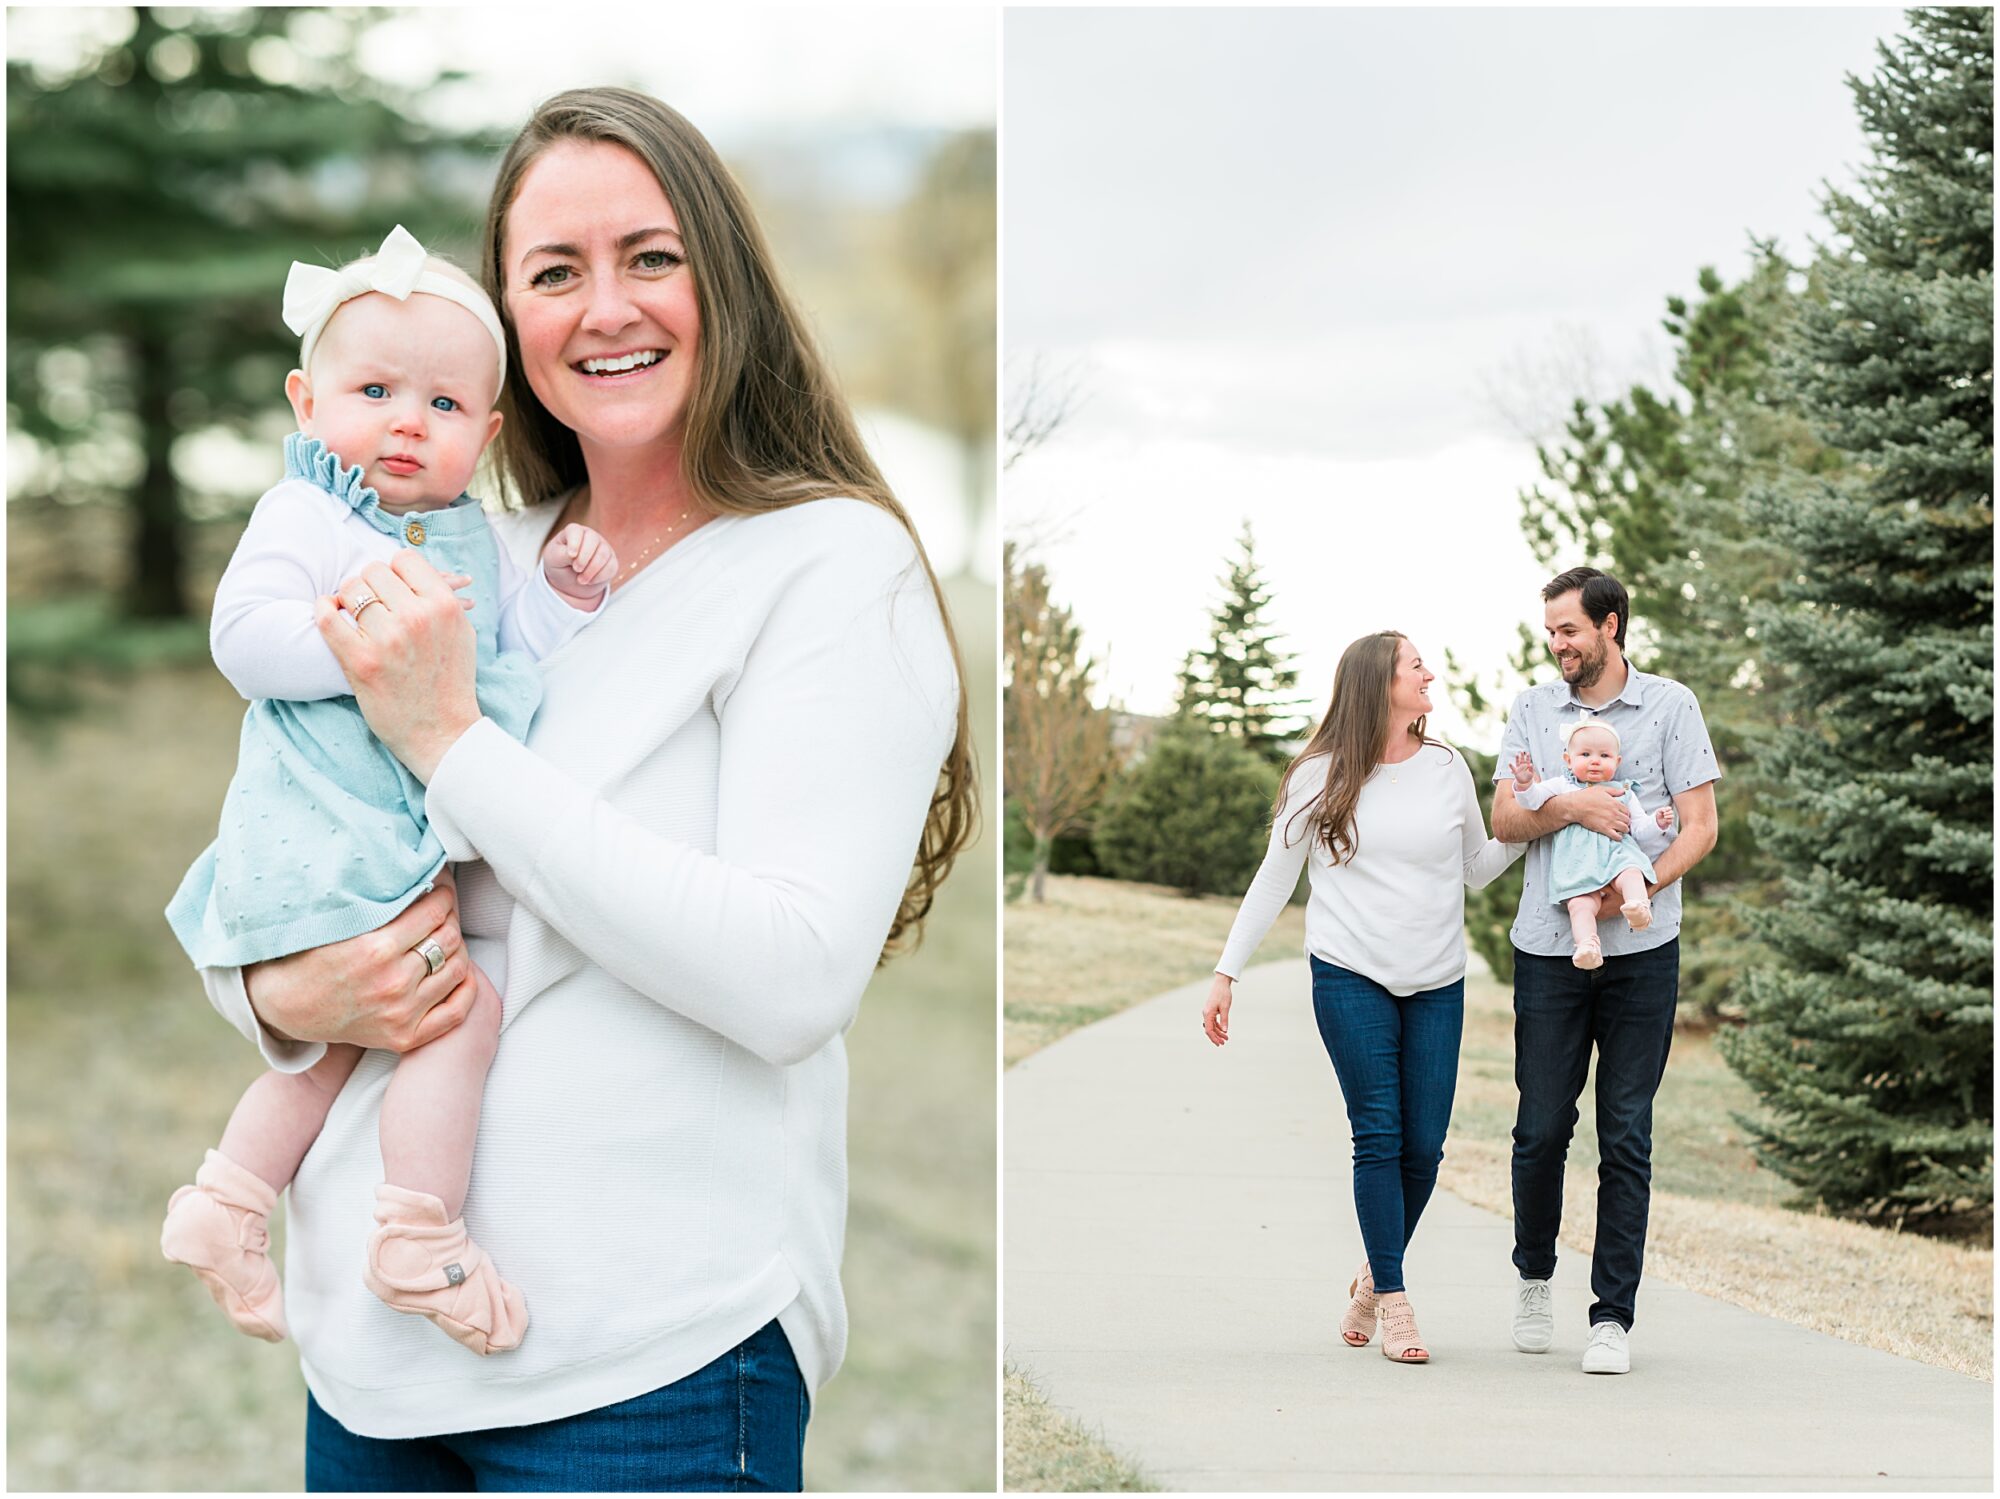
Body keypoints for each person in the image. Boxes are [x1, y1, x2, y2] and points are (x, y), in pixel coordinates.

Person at [185, 88, 975, 1490]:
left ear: (722, 276)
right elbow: (303, 829)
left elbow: (792, 976)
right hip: (371, 1360)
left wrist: (455, 744)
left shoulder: (830, 568)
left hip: (651, 1360)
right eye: (555, 273)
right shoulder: (482, 553)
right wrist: (278, 994)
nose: (604, 306)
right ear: (507, 330)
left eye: (649, 257)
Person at [161, 226, 617, 1360]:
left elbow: (508, 660)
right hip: (327, 832)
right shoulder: (306, 515)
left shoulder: (477, 535)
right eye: (373, 391)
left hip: (386, 838)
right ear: (305, 402)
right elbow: (245, 641)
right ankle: (418, 1234)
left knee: (345, 1045)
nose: (407, 421)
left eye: (444, 404)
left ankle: (222, 1204)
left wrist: (563, 595)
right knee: (459, 1013)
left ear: (491, 432)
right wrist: (380, 654)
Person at [1202, 632, 1522, 1364]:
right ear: (1380, 684)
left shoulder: (1448, 767)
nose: (1430, 673)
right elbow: (1274, 878)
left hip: (1437, 976)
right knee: (1378, 1131)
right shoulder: (1318, 775)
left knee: (1425, 1146)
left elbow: (1477, 865)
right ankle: (1398, 1301)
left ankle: (1372, 1274)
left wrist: (1537, 819)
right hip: (1349, 971)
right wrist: (1228, 971)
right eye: (1417, 666)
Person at [1490, 567, 1718, 1376]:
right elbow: (1506, 817)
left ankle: (1612, 1316)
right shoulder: (1532, 709)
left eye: (1569, 630)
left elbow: (1700, 824)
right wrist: (1578, 807)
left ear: (1611, 625)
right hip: (1550, 950)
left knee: (1626, 1133)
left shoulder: (1671, 706)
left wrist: (1641, 890)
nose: (1557, 645)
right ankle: (1532, 1275)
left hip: (1643, 956)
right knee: (1541, 1127)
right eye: (1551, 631)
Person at [1508, 719, 1675, 968]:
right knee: (1580, 905)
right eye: (1585, 754)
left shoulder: (1623, 791)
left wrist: (1658, 823)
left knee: (1632, 872)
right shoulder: (1561, 786)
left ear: (1617, 762)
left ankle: (1639, 905)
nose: (1595, 760)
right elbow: (1532, 802)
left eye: (1604, 755)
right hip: (1578, 865)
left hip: (1616, 854)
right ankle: (1587, 945)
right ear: (1568, 759)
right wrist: (1524, 784)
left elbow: (1639, 829)